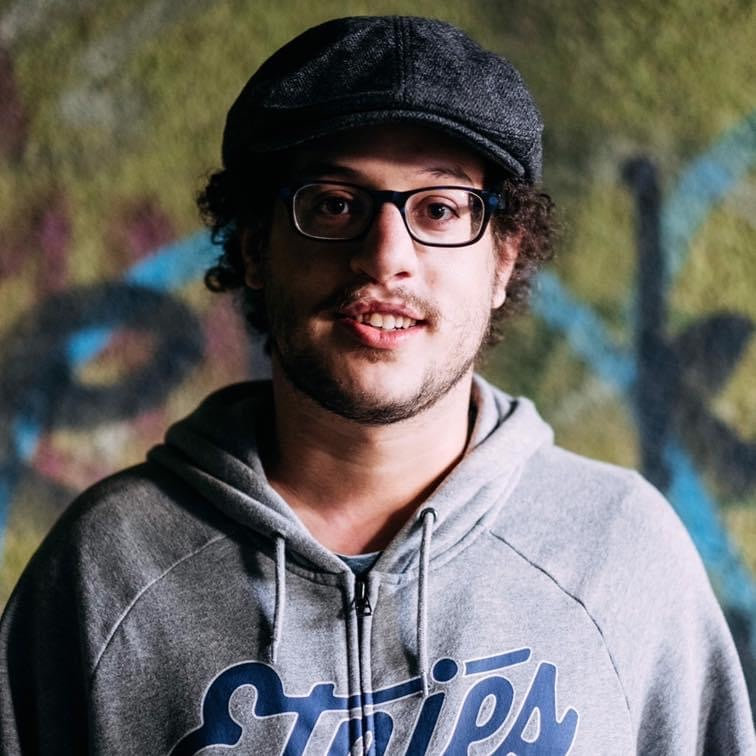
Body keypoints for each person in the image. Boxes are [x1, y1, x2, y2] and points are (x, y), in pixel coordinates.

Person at [1, 15, 753, 755]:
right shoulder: (106, 568)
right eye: (335, 204)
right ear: (256, 247)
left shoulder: (620, 552)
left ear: (502, 259)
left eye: (439, 208)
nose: (387, 255)